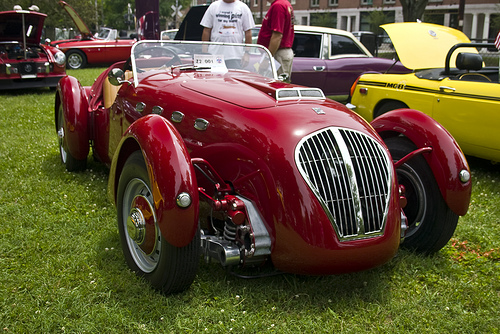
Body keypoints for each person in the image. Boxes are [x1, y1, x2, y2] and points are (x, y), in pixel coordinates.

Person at [200, 0, 255, 69]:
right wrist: (204, 52)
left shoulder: (243, 8)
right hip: (214, 54)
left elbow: (248, 32)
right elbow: (206, 30)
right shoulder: (213, 7)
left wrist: (247, 53)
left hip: (235, 56)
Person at [257, 0, 294, 80]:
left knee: (277, 85)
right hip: (276, 52)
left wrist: (267, 58)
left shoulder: (278, 6)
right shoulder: (283, 4)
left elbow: (277, 35)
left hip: (277, 53)